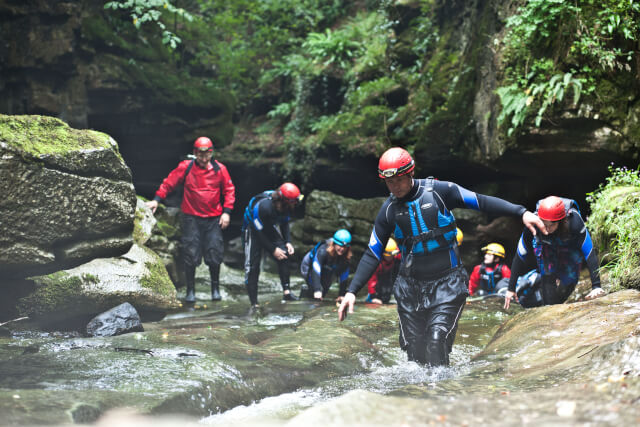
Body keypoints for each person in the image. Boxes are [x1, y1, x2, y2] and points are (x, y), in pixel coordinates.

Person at [338, 147, 546, 366]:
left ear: (410, 173)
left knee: (436, 342)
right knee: (415, 354)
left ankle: (442, 392)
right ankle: (418, 395)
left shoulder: (441, 191)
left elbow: (480, 200)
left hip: (448, 282)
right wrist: (352, 291)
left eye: (399, 180)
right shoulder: (388, 211)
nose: (394, 187)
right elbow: (373, 252)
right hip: (410, 287)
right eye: (389, 182)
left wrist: (521, 212)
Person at [146, 137, 235, 303]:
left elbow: (229, 190)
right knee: (191, 252)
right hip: (191, 217)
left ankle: (215, 290)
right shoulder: (185, 168)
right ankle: (191, 291)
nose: (203, 158)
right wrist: (156, 200)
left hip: (213, 218)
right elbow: (169, 183)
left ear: (211, 153)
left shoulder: (220, 169)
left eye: (206, 154)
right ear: (195, 153)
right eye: (200, 155)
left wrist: (227, 212)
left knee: (214, 252)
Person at [504, 196, 605, 310]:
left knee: (568, 281)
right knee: (548, 280)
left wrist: (596, 286)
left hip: (569, 246)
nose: (547, 228)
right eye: (544, 224)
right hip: (546, 246)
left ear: (562, 221)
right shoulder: (532, 224)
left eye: (551, 225)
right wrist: (511, 289)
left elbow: (590, 253)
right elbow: (520, 255)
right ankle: (547, 305)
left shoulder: (574, 222)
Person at [242, 183, 303, 307]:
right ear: (285, 201)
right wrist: (273, 249)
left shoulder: (287, 207)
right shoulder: (264, 207)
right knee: (253, 266)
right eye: (294, 201)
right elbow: (259, 233)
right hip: (253, 229)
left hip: (268, 226)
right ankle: (254, 303)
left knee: (284, 254)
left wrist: (288, 242)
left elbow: (285, 224)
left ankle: (287, 293)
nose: (296, 203)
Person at [299, 229, 352, 301]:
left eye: (345, 247)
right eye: (340, 246)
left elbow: (344, 275)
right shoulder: (323, 251)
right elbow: (316, 268)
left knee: (324, 290)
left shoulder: (346, 257)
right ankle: (306, 294)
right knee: (316, 290)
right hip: (309, 265)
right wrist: (317, 290)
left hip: (328, 268)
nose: (342, 249)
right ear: (334, 244)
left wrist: (341, 294)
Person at [365, 238, 401, 304]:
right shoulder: (376, 262)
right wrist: (373, 297)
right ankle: (371, 298)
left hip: (390, 274)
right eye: (390, 255)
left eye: (393, 254)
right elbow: (372, 280)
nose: (392, 256)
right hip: (379, 277)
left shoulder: (396, 253)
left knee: (387, 295)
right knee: (376, 301)